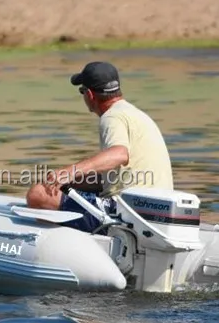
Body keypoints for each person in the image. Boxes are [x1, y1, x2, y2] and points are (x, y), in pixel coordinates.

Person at [25, 61, 174, 233]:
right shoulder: (136, 115)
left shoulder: (112, 117)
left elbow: (119, 154)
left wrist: (70, 171)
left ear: (89, 94)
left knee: (38, 195)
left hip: (127, 213)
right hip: (159, 211)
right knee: (58, 187)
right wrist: (68, 182)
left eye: (82, 91)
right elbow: (119, 175)